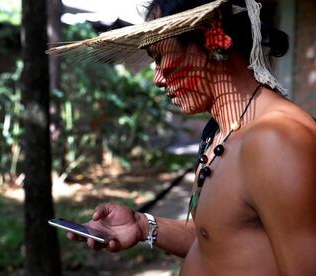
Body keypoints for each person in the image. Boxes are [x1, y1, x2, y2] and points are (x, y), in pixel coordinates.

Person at [48, 0, 316, 275]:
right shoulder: (222, 132)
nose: (158, 78)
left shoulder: (278, 141)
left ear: (213, 38)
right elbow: (217, 242)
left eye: (161, 57)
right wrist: (142, 225)